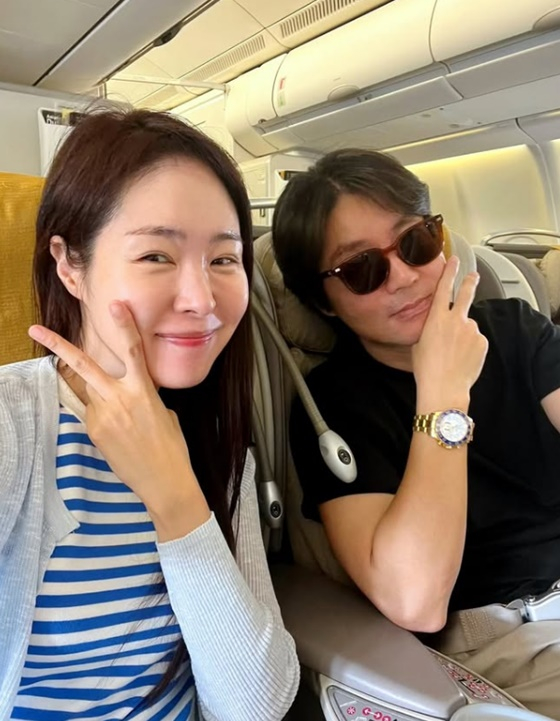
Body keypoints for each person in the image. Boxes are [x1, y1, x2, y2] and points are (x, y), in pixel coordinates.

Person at [0, 106, 299, 721]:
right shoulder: (12, 425)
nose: (201, 300)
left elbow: (254, 707)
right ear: (70, 264)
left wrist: (175, 497)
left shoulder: (220, 444)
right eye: (156, 256)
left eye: (224, 260)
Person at [271, 147, 560, 718]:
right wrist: (444, 397)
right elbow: (416, 600)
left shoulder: (515, 330)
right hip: (506, 643)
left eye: (415, 242)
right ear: (323, 303)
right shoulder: (331, 408)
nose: (404, 276)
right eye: (361, 269)